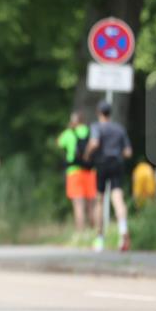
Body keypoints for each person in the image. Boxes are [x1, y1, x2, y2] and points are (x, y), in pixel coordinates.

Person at [84, 100, 133, 252]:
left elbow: (94, 143)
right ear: (110, 113)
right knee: (118, 198)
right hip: (117, 163)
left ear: (99, 113)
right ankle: (123, 230)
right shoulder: (119, 129)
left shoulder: (96, 127)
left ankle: (99, 238)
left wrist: (86, 155)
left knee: (99, 200)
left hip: (102, 164)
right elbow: (128, 152)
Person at [57, 111, 97, 234]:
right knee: (91, 204)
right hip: (90, 172)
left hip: (74, 172)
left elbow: (59, 143)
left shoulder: (69, 133)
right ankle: (94, 233)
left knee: (78, 204)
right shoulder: (90, 131)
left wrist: (69, 128)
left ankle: (80, 233)